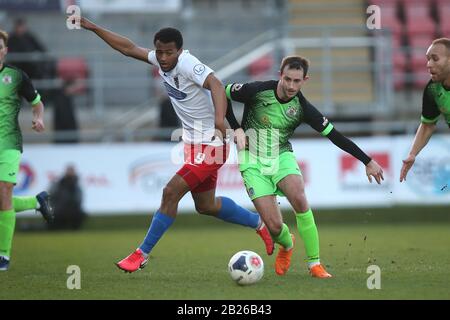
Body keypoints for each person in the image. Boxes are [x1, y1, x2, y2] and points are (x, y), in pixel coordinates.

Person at [77, 17, 274, 273]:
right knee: (206, 205)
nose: (163, 57)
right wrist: (93, 27)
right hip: (194, 145)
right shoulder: (160, 61)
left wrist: (218, 119)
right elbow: (127, 48)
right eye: (159, 52)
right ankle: (259, 224)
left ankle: (141, 254)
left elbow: (215, 82)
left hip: (213, 145)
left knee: (170, 192)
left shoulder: (187, 64)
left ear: (179, 51)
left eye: (169, 52)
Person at [225, 56, 384, 278]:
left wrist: (367, 160)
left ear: (304, 80)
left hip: (281, 156)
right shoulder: (257, 90)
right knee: (274, 227)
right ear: (280, 74)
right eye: (287, 79)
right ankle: (287, 244)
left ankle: (314, 264)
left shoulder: (302, 108)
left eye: (297, 81)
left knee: (299, 197)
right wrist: (236, 128)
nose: (291, 86)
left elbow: (335, 136)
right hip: (250, 160)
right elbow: (222, 93)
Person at [0, 29, 54, 271]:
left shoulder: (16, 76)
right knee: (4, 200)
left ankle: (3, 256)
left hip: (8, 144)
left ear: (5, 50)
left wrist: (39, 118)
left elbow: (37, 103)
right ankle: (36, 201)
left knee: (3, 194)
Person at [400, 38, 450, 182]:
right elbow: (428, 125)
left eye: (435, 59)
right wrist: (413, 153)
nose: (429, 65)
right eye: (428, 59)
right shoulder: (433, 89)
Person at [49, 165, 85, 230]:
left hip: (73, 209)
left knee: (79, 214)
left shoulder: (76, 185)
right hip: (60, 209)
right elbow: (52, 196)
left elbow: (79, 199)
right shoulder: (59, 184)